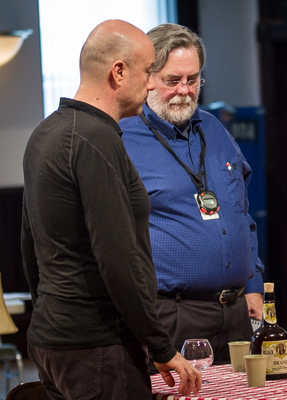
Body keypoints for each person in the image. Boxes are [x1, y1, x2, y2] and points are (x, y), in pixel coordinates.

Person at [21, 20, 202, 398]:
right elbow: (118, 256)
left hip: (54, 339)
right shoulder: (96, 137)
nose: (151, 83)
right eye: (149, 71)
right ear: (119, 72)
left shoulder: (46, 132)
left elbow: (29, 245)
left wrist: (53, 315)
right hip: (97, 344)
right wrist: (160, 345)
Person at [119, 23, 264, 368]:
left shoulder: (214, 129)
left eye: (193, 79)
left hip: (236, 312)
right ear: (148, 77)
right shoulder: (121, 138)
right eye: (173, 80)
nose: (184, 90)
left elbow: (242, 215)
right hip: (172, 313)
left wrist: (254, 281)